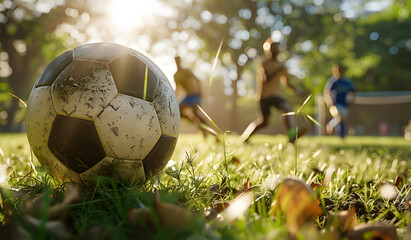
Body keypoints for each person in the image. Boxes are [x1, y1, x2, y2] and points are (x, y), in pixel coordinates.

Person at [241, 39, 306, 143]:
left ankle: (291, 136)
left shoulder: (282, 65)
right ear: (268, 50)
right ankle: (245, 138)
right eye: (272, 48)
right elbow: (266, 78)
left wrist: (297, 91)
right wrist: (277, 71)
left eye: (276, 48)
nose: (275, 50)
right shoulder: (264, 63)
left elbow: (287, 83)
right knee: (264, 121)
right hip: (264, 96)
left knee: (287, 109)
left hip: (276, 95)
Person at [174, 56, 214, 137]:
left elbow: (196, 79)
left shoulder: (186, 71)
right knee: (178, 112)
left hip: (194, 95)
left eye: (178, 60)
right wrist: (173, 98)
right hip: (187, 97)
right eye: (176, 60)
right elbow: (178, 88)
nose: (177, 62)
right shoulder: (176, 75)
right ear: (175, 61)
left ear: (180, 60)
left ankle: (213, 133)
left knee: (196, 113)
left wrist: (200, 91)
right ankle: (196, 122)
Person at [323, 64, 355, 138]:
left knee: (341, 120)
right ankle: (330, 126)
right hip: (335, 104)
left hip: (344, 104)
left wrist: (351, 98)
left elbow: (352, 92)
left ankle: (341, 136)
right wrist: (329, 103)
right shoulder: (333, 81)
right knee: (339, 117)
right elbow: (326, 92)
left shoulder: (347, 81)